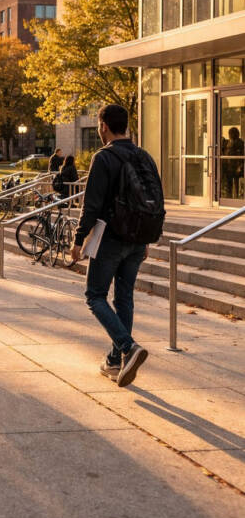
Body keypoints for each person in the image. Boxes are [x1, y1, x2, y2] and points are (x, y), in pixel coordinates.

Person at [71, 105, 154, 388]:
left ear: (103, 126)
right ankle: (116, 360)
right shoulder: (144, 156)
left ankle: (128, 347)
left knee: (95, 295)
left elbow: (91, 205)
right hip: (137, 238)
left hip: (110, 238)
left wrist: (78, 239)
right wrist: (145, 238)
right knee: (124, 298)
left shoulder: (104, 157)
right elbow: (150, 201)